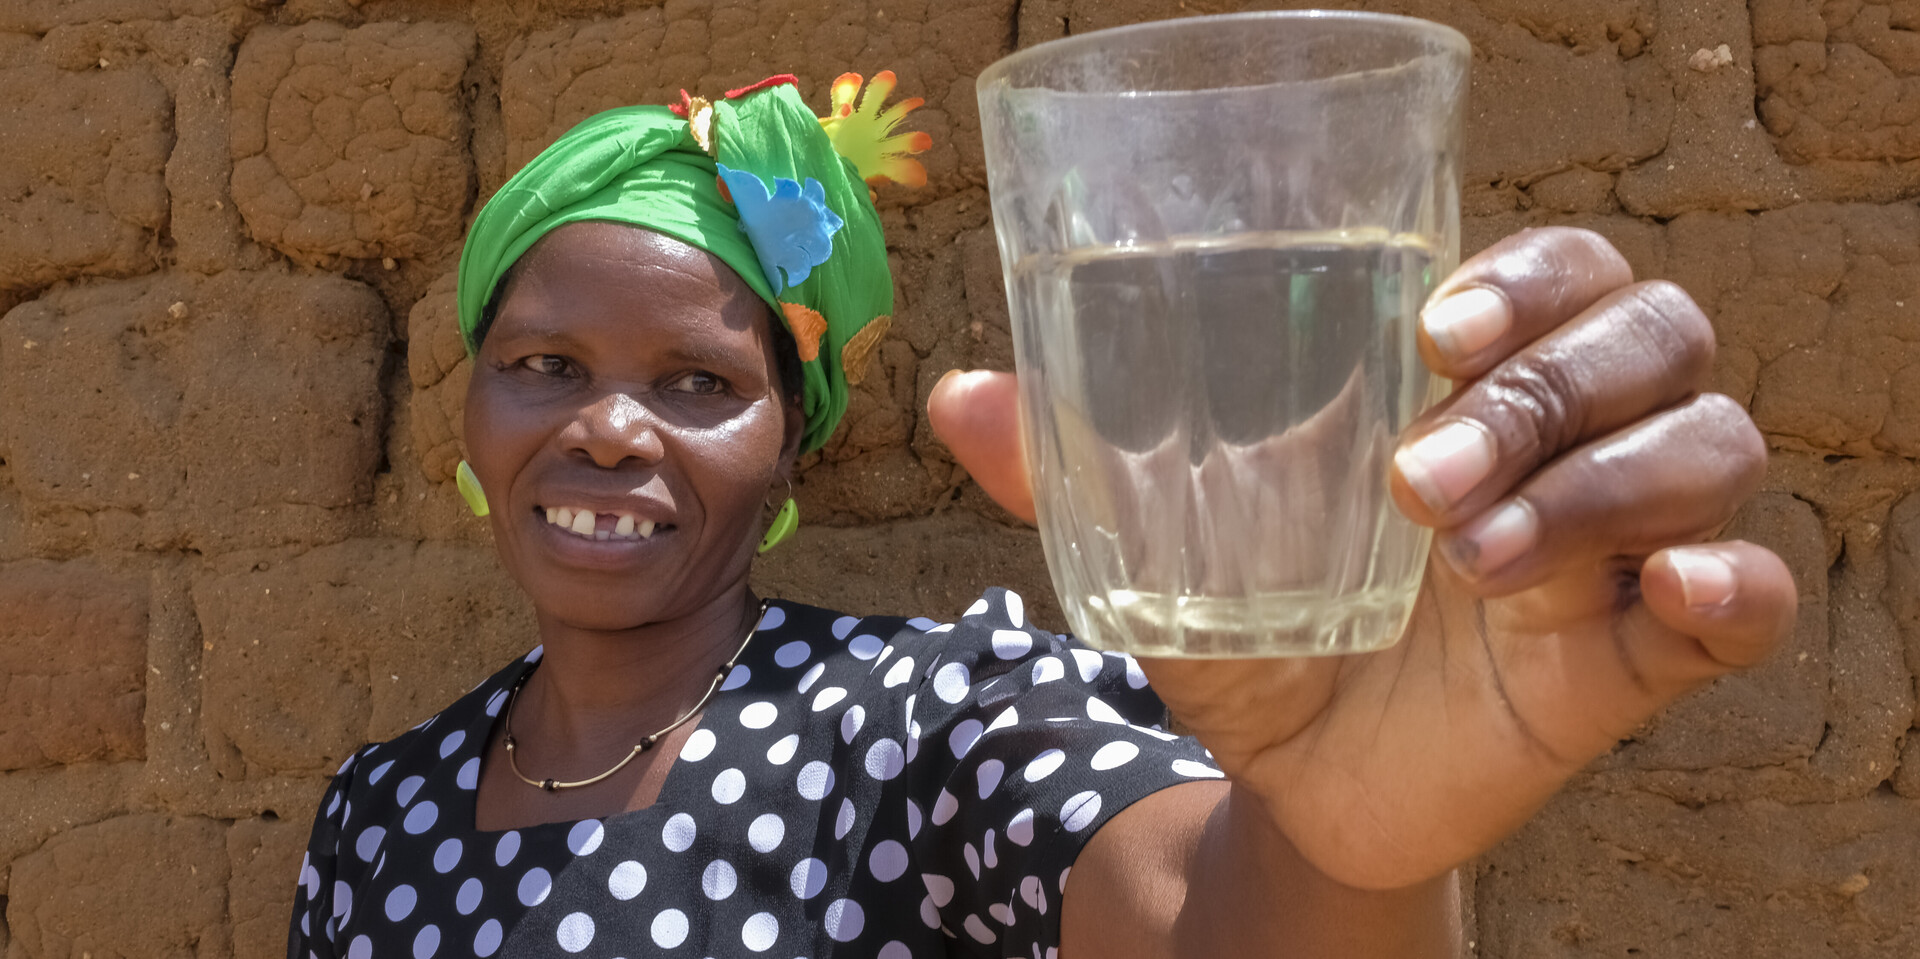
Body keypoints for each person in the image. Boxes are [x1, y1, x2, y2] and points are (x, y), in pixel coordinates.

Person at [287, 71, 1795, 959]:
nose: (607, 426)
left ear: (792, 448)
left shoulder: (929, 724)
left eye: (695, 383)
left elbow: (1197, 922)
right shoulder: (375, 814)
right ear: (472, 416)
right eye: (543, 364)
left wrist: (1348, 849)